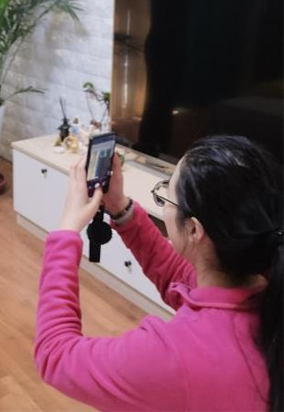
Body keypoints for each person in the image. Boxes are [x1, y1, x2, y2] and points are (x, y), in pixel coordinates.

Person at [35, 135, 283, 411]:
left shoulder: (172, 357)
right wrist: (121, 208)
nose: (164, 203)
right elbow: (182, 278)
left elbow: (55, 355)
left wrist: (66, 231)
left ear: (194, 229)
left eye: (166, 196)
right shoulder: (267, 286)